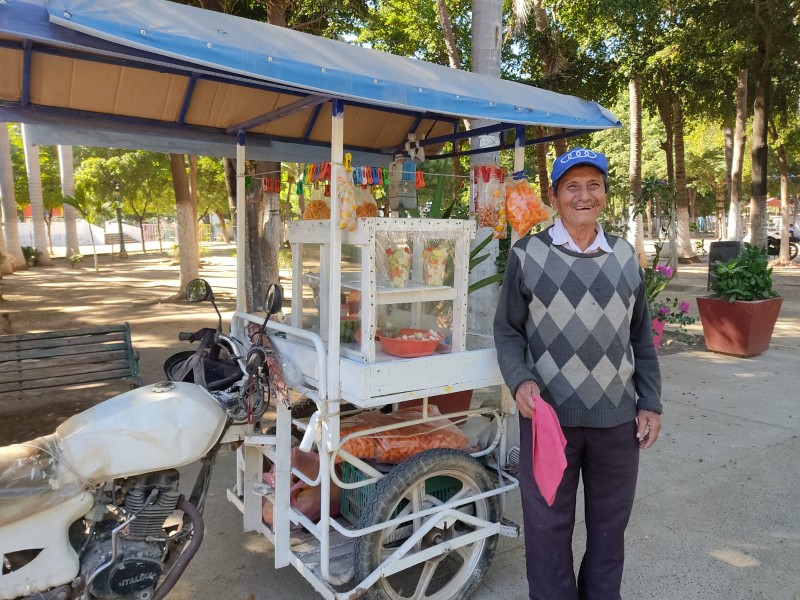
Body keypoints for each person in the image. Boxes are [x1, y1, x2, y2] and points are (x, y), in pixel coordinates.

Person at [493, 148, 662, 600]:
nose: (583, 195)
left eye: (593, 185)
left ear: (605, 193)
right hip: (549, 421)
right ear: (555, 195)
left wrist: (650, 402)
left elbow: (640, 337)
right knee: (547, 533)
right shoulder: (527, 255)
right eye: (572, 186)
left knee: (609, 533)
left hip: (615, 422)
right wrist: (520, 379)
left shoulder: (625, 257)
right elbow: (507, 331)